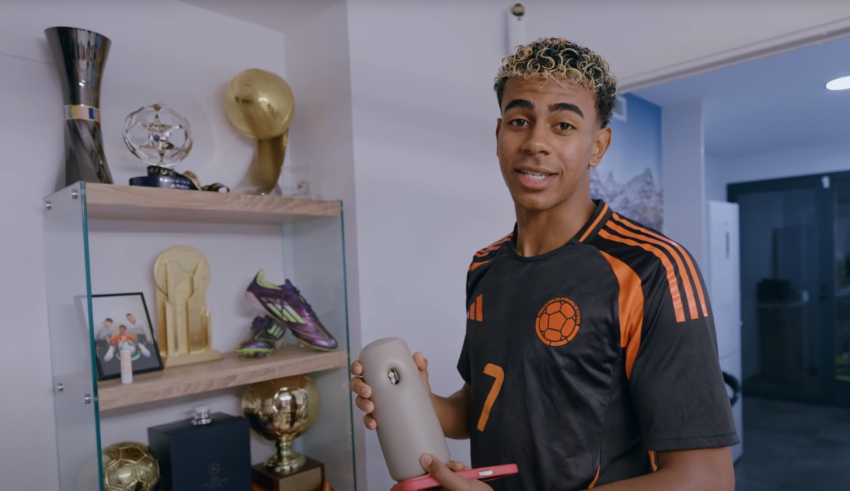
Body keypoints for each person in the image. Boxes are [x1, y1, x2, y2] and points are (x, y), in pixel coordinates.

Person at [349, 37, 738, 491]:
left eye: (563, 125)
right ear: (499, 136)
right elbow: (483, 407)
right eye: (520, 121)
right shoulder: (485, 266)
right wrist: (413, 401)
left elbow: (706, 479)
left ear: (598, 146)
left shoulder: (653, 269)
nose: (536, 142)